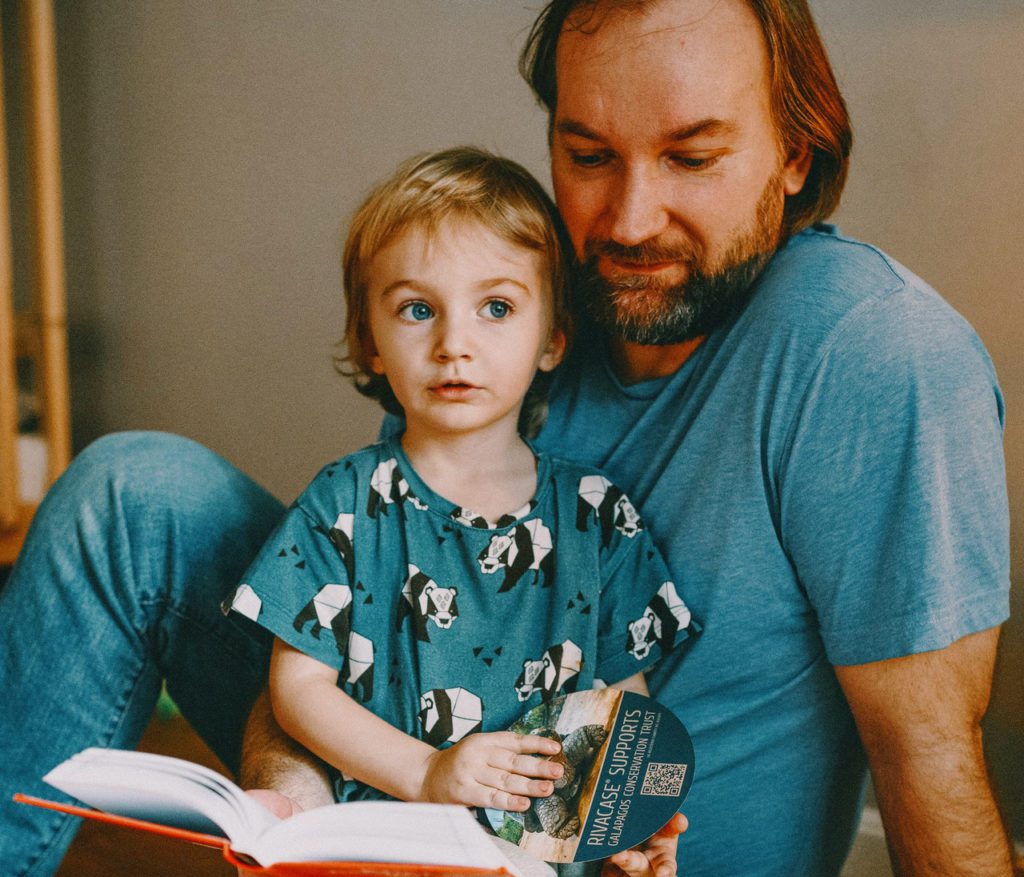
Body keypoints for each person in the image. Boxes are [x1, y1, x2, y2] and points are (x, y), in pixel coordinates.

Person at [0, 1, 1012, 875]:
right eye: (586, 155)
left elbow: (928, 755)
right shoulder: (519, 312)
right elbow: (344, 620)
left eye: (691, 157)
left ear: (796, 149)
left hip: (610, 849)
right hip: (408, 800)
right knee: (132, 494)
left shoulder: (870, 349)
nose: (628, 215)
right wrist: (292, 793)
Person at [219, 146, 694, 876]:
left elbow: (621, 710)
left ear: (553, 338)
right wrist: (427, 774)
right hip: (376, 857)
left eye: (496, 307)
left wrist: (630, 825)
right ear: (369, 340)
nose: (454, 344)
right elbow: (298, 689)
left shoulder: (599, 518)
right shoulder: (342, 503)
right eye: (417, 309)